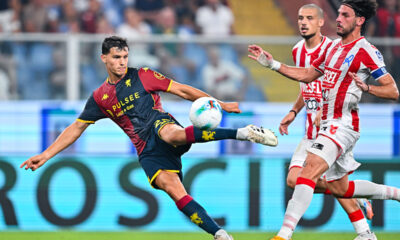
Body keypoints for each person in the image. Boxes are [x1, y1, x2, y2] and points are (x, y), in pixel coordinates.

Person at [20, 36, 278, 240]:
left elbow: (182, 90)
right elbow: (75, 128)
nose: (122, 62)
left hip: (160, 125)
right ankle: (220, 234)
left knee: (171, 133)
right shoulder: (100, 97)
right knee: (174, 191)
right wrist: (46, 154)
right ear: (104, 59)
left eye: (125, 56)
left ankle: (243, 133)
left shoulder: (142, 75)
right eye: (116, 57)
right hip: (147, 152)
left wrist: (219, 104)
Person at [248, 0, 400, 240]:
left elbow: (393, 91)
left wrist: (367, 88)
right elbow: (308, 75)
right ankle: (390, 201)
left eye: (345, 15)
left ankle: (283, 235)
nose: (338, 19)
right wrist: (273, 64)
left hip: (343, 124)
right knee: (342, 188)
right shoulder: (333, 48)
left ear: (359, 21)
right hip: (326, 125)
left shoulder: (367, 51)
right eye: (338, 14)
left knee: (307, 173)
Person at [279, 4, 375, 240]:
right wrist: (293, 110)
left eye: (309, 18)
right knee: (294, 179)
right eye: (300, 18)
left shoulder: (334, 49)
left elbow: (342, 86)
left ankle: (364, 232)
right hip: (309, 130)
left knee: (308, 178)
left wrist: (328, 109)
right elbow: (308, 83)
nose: (303, 22)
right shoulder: (297, 50)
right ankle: (356, 195)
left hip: (329, 130)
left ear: (321, 22)